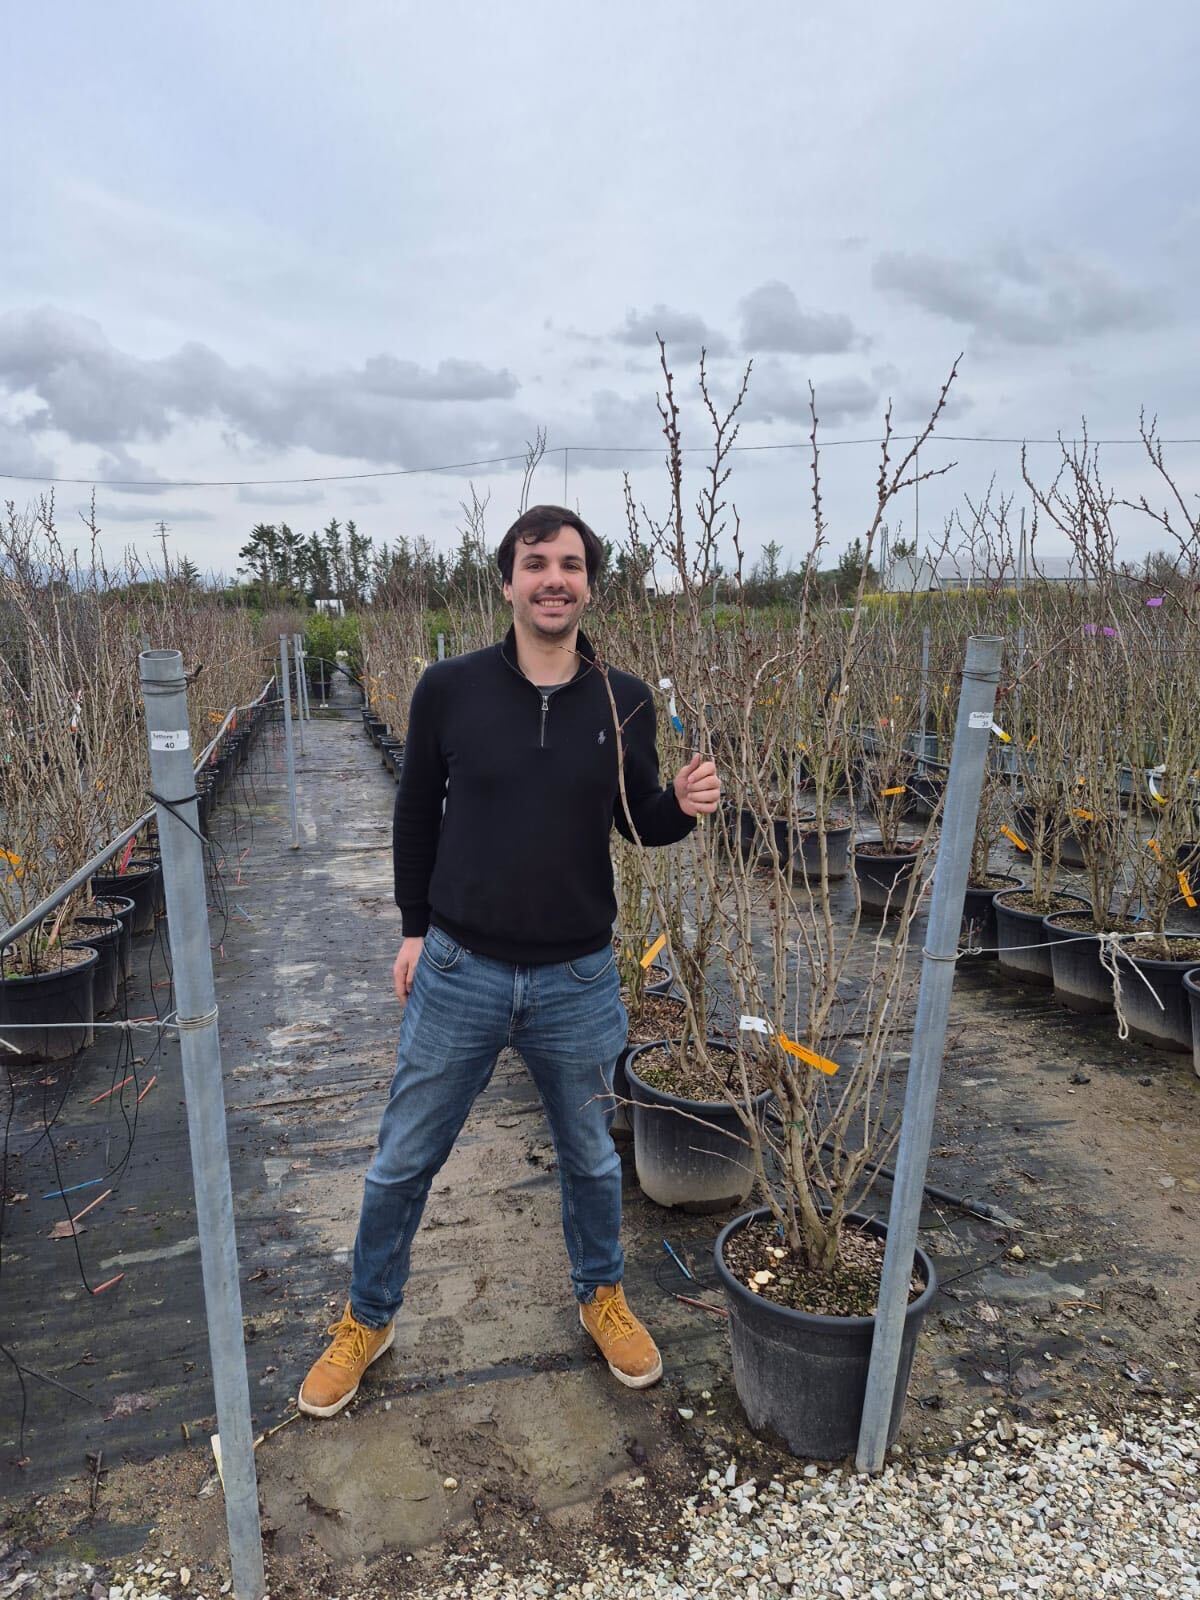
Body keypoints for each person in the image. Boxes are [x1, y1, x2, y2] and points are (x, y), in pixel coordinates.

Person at [298, 505, 721, 1418]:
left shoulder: (625, 697)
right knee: (404, 1158)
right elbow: (415, 811)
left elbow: (636, 820)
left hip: (577, 979)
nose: (554, 579)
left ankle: (600, 1294)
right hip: (461, 969)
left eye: (571, 565)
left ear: (590, 584)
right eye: (537, 564)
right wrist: (413, 930)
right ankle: (367, 1317)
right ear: (508, 581)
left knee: (593, 1162)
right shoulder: (450, 688)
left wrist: (681, 805)